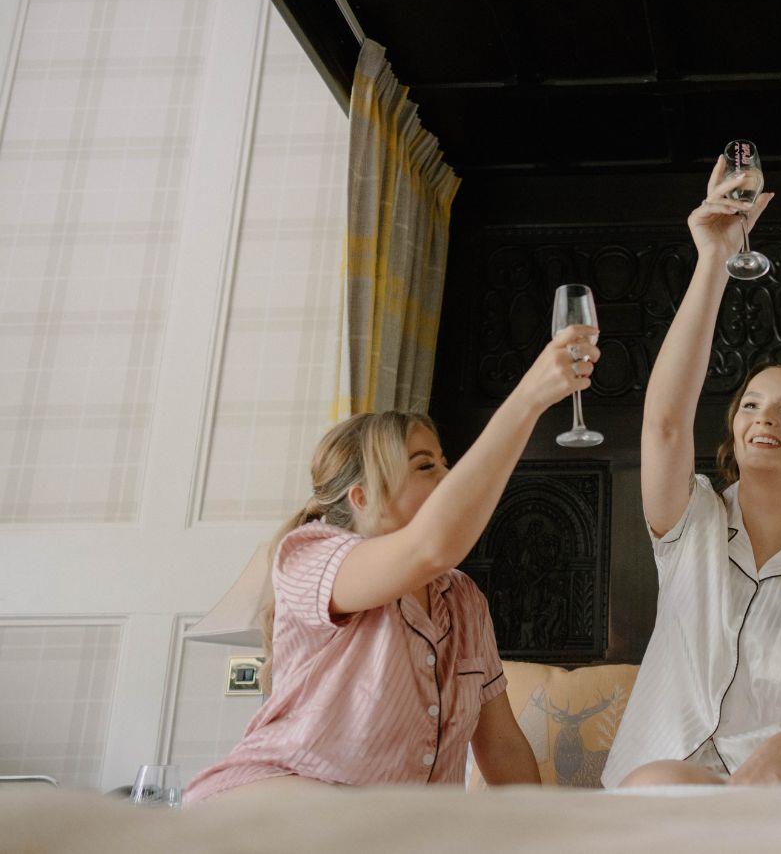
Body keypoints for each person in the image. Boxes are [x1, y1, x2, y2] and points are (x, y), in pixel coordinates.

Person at [184, 327, 601, 802]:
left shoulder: (463, 600)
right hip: (275, 802)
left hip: (398, 829)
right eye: (426, 466)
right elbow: (431, 547)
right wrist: (528, 398)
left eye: (445, 463)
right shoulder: (308, 556)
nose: (448, 477)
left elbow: (501, 747)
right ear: (362, 498)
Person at [601, 158, 781, 787]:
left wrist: (779, 756)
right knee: (660, 790)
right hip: (676, 768)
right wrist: (713, 259)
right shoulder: (689, 519)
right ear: (733, 430)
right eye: (751, 405)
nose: (767, 419)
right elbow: (666, 423)